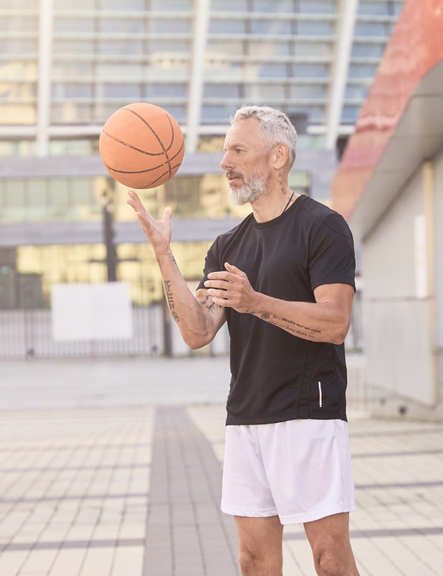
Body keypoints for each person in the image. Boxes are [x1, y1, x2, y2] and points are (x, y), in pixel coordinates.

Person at [126, 105, 360, 576]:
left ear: (278, 157)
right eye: (224, 151)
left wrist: (256, 303)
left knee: (330, 560)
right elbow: (197, 331)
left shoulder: (323, 226)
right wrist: (162, 253)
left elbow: (335, 322)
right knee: (253, 562)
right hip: (246, 418)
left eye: (237, 150)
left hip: (308, 415)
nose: (224, 163)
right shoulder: (227, 245)